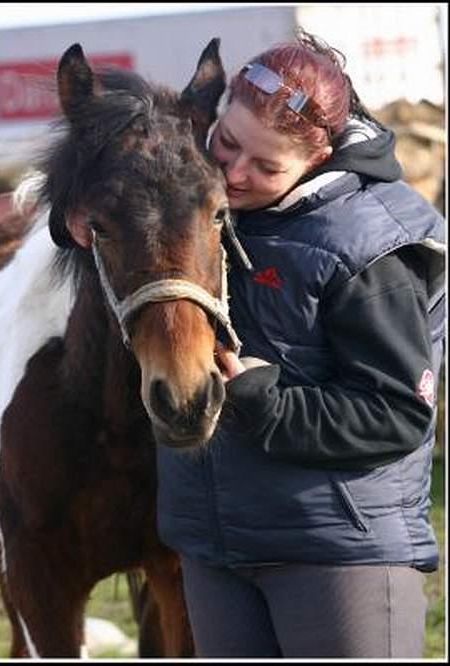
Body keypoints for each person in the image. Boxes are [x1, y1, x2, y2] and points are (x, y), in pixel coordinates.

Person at [156, 29, 446, 658]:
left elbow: (397, 412)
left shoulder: (367, 244)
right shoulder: (202, 196)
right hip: (216, 549)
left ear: (319, 161)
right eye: (227, 144)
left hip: (338, 555)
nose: (233, 174)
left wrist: (269, 401)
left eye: (265, 167)